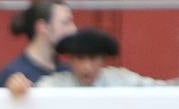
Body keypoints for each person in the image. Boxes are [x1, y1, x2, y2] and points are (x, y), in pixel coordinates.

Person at [12, 28, 179, 91]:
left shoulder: (121, 79)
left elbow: (161, 89)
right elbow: (32, 92)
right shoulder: (57, 84)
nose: (87, 66)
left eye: (93, 59)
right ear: (71, 60)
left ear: (102, 61)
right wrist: (20, 86)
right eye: (80, 58)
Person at [0, 1, 77, 91]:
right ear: (43, 27)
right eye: (66, 22)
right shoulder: (13, 76)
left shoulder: (68, 72)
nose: (73, 29)